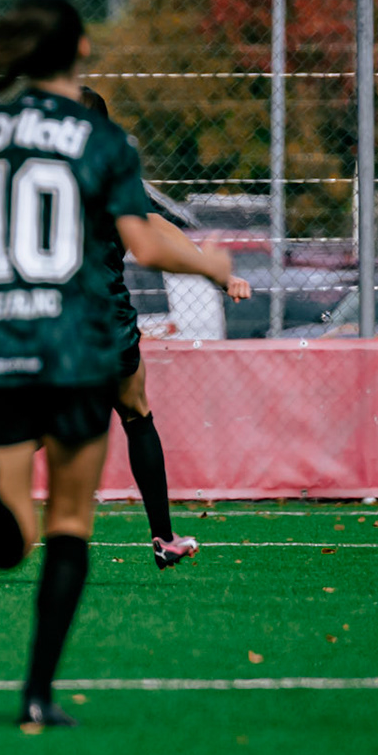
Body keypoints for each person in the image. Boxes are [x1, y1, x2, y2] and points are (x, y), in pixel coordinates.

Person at [0, 0, 243, 728]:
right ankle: (37, 696)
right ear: (79, 51)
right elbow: (145, 245)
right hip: (74, 342)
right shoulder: (102, 140)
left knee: (9, 540)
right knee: (71, 522)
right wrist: (208, 263)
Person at [78, 86, 252, 569]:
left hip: (53, 317)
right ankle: (163, 538)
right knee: (135, 414)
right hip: (106, 317)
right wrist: (213, 269)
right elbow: (154, 230)